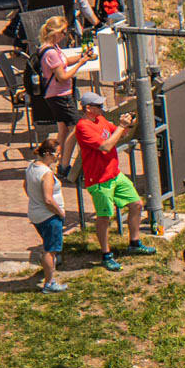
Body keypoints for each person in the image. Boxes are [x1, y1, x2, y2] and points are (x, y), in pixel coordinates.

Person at [70, 106, 150, 269]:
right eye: (98, 106)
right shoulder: (83, 126)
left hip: (115, 174)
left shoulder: (101, 120)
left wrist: (127, 125)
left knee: (136, 204)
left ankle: (134, 243)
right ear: (88, 108)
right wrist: (121, 127)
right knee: (105, 217)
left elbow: (121, 134)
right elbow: (106, 146)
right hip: (99, 180)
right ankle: (106, 255)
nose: (102, 108)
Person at [20, 133, 66, 291]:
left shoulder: (31, 166)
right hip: (49, 216)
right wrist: (60, 212)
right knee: (50, 250)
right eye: (57, 154)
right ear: (48, 154)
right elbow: (48, 199)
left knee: (48, 245)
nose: (58, 158)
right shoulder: (46, 174)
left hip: (35, 214)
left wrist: (35, 199)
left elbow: (25, 186)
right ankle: (49, 282)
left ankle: (49, 271)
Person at [30, 12, 85, 122]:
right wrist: (80, 64)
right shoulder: (51, 53)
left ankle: (60, 141)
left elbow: (64, 62)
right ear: (55, 33)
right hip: (60, 95)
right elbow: (62, 77)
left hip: (56, 93)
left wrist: (81, 57)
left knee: (63, 129)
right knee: (75, 127)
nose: (65, 35)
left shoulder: (51, 47)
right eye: (64, 32)